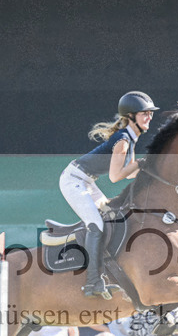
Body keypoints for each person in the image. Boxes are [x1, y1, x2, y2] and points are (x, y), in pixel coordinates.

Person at [60, 91, 158, 299]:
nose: (149, 117)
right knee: (96, 224)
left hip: (86, 181)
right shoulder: (123, 140)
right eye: (145, 113)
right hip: (73, 180)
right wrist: (140, 164)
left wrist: (150, 168)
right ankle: (92, 281)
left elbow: (129, 173)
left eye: (150, 113)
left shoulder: (130, 137)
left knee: (112, 217)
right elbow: (115, 177)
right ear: (131, 116)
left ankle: (109, 269)